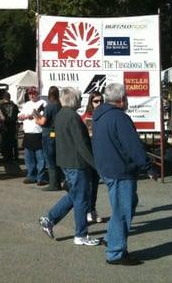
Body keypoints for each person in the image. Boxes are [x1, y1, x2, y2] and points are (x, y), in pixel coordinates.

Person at [92, 83, 158, 265]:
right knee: (123, 210)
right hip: (119, 170)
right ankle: (115, 252)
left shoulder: (100, 116)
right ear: (121, 100)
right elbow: (133, 146)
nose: (128, 100)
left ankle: (112, 239)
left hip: (108, 168)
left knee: (125, 205)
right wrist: (148, 167)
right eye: (126, 97)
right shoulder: (119, 118)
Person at [38, 87, 100, 246]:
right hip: (76, 162)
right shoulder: (73, 117)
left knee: (75, 195)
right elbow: (82, 145)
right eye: (79, 97)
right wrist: (96, 165)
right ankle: (81, 234)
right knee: (81, 198)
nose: (80, 100)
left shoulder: (60, 115)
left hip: (67, 161)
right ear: (73, 99)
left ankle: (50, 219)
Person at [80, 91, 105, 222]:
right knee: (88, 184)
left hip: (99, 153)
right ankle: (87, 210)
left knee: (95, 184)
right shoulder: (85, 117)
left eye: (100, 101)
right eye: (96, 101)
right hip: (88, 154)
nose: (99, 103)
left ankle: (92, 209)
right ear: (90, 102)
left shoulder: (105, 114)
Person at [34, 86, 62, 191]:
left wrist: (36, 119)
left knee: (50, 160)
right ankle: (58, 182)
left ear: (49, 95)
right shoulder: (59, 105)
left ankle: (53, 184)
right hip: (56, 134)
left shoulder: (50, 106)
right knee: (56, 159)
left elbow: (43, 122)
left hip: (48, 134)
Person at [18, 86, 48, 186]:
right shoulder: (26, 104)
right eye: (30, 94)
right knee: (29, 157)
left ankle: (41, 177)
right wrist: (21, 117)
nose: (31, 95)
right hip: (28, 133)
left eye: (33, 93)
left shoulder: (43, 103)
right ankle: (31, 176)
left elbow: (42, 115)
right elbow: (20, 116)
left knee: (40, 157)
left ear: (37, 94)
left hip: (38, 132)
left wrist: (30, 116)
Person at [0, 92, 19, 166]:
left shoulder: (0, 106)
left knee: (4, 141)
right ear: (10, 98)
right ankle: (12, 157)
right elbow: (16, 117)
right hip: (12, 126)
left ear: (4, 98)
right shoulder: (15, 106)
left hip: (3, 126)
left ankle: (5, 157)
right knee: (12, 142)